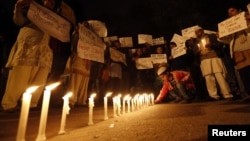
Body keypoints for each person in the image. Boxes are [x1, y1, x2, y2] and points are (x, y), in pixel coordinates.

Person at [1, 0, 69, 112]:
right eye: (49, 0)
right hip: (29, 42)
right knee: (20, 74)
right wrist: (18, 8)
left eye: (53, 2)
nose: (51, 2)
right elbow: (18, 21)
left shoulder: (56, 17)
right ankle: (9, 104)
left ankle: (31, 103)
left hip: (44, 47)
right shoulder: (32, 8)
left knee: (39, 77)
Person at [218, 5, 250, 100]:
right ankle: (248, 93)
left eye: (232, 11)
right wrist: (221, 36)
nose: (230, 14)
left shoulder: (247, 18)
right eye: (229, 13)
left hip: (248, 49)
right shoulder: (231, 26)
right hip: (238, 52)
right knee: (244, 75)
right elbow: (230, 40)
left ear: (239, 10)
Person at [193, 26, 233, 100]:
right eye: (196, 32)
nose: (197, 33)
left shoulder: (211, 36)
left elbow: (219, 44)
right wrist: (197, 51)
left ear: (202, 30)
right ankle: (213, 95)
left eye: (198, 31)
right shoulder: (196, 41)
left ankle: (227, 94)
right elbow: (194, 52)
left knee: (220, 76)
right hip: (204, 60)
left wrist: (211, 45)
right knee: (208, 78)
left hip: (214, 57)